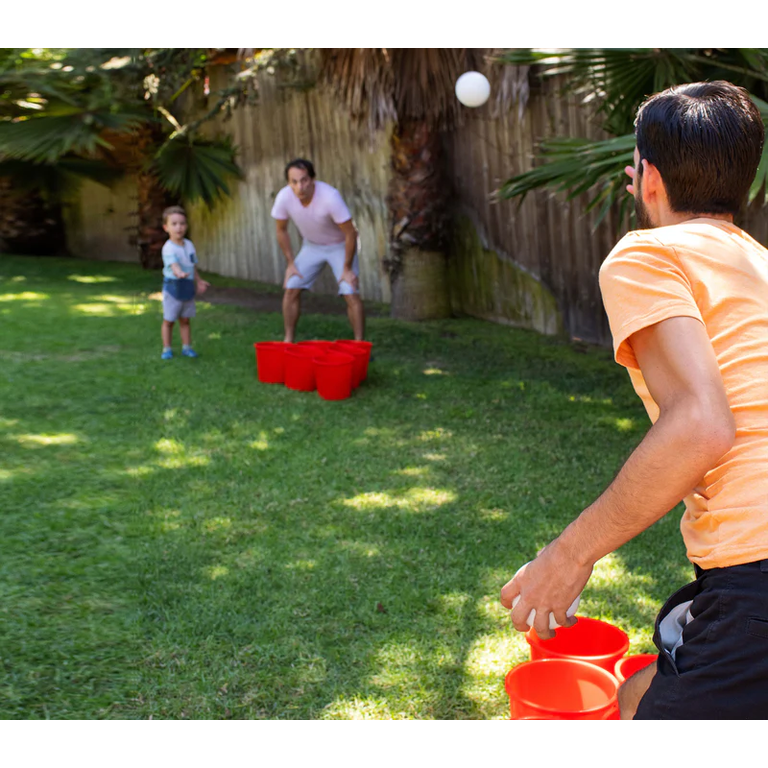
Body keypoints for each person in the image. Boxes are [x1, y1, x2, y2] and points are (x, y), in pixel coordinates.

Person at [500, 81, 768, 721]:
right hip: (742, 578)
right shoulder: (759, 264)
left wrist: (566, 557)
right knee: (635, 695)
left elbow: (702, 425)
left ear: (647, 176)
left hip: (754, 572)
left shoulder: (646, 254)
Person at [271, 159, 365, 343]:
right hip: (312, 246)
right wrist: (290, 263)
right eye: (294, 182)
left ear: (313, 179)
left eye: (304, 180)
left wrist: (347, 268)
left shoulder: (330, 197)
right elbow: (281, 230)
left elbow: (350, 233)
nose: (300, 187)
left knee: (350, 291)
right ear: (288, 183)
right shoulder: (284, 197)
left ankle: (360, 345)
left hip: (340, 246)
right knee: (291, 287)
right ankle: (288, 341)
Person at [161, 206, 210, 360]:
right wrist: (179, 273)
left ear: (186, 226)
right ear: (166, 227)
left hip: (187, 287)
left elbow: (191, 265)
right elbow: (174, 265)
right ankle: (166, 349)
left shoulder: (189, 245)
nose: (179, 227)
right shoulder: (168, 248)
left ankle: (186, 348)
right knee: (169, 321)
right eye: (174, 224)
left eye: (182, 223)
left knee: (185, 320)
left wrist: (199, 281)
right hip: (173, 287)